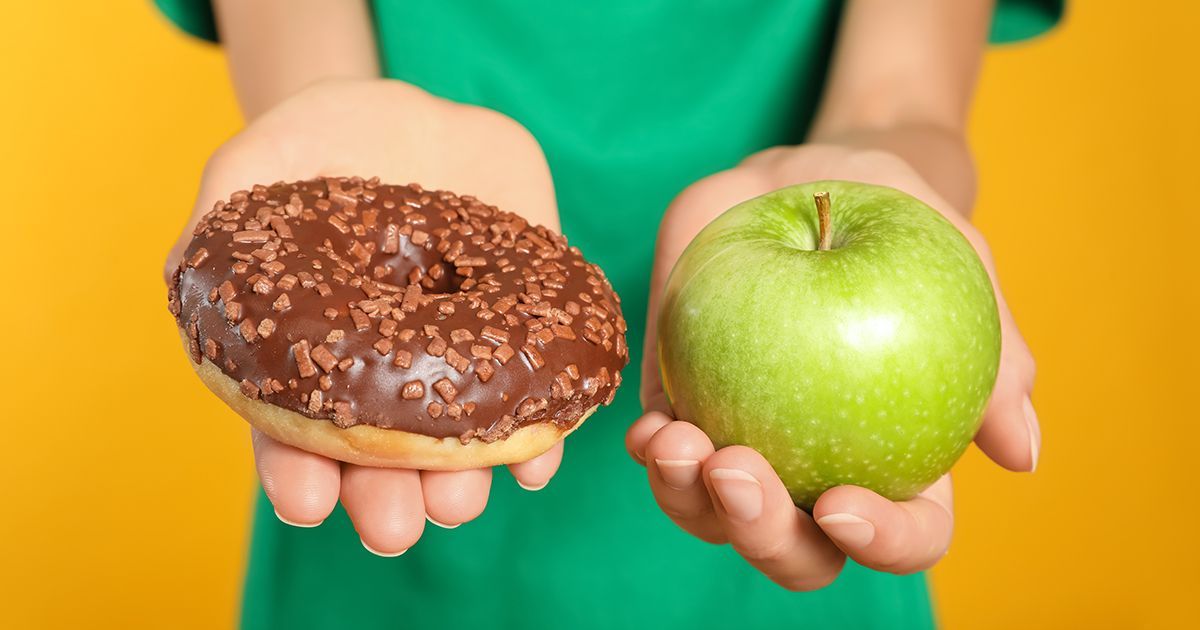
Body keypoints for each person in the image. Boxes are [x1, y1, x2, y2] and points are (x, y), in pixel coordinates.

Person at [158, 1, 1059, 627]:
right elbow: (308, 58)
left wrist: (878, 181)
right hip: (372, 556)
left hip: (793, 468)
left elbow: (897, 102)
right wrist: (320, 139)